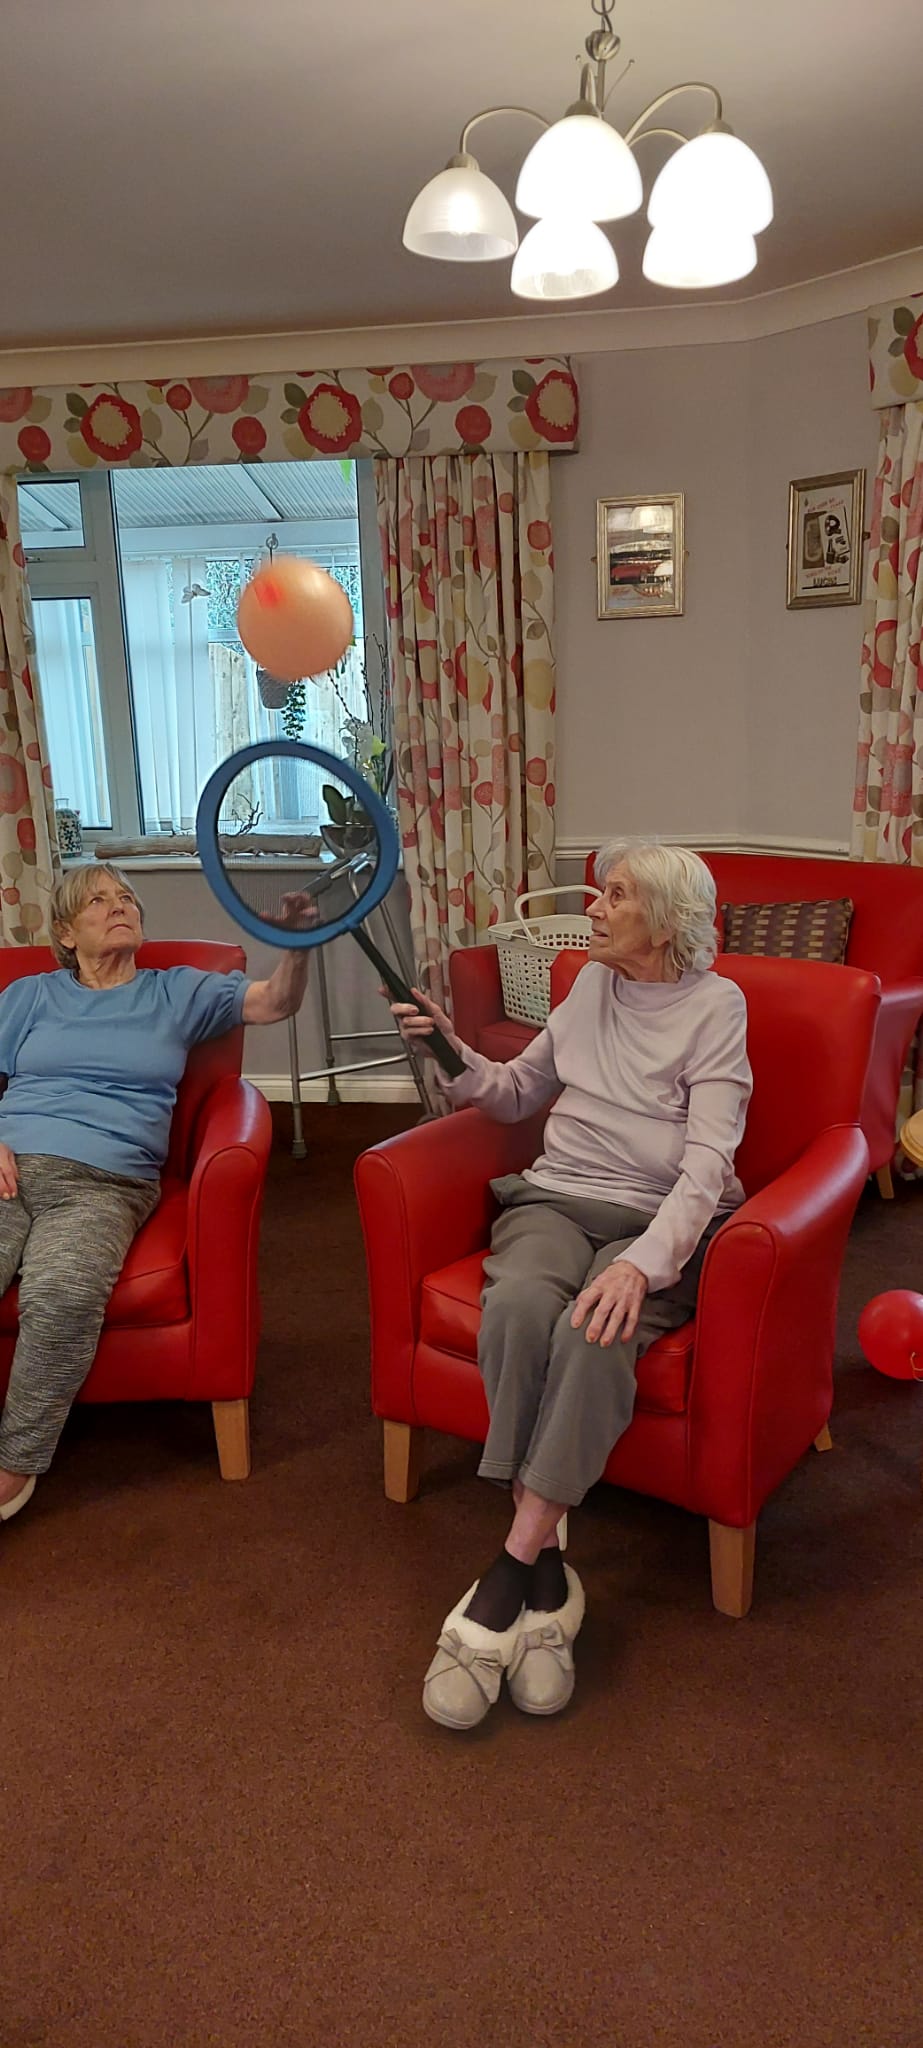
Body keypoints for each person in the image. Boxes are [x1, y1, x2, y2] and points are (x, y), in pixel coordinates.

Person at [390, 841, 752, 1731]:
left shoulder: (717, 1007)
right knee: (516, 1304)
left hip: (656, 1219)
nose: (591, 908)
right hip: (555, 1198)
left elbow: (708, 1162)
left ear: (663, 922)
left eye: (613, 895)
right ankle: (548, 1573)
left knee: (594, 1330)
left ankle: (510, 1571)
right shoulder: (588, 984)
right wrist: (450, 1048)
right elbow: (517, 1092)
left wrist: (641, 1264)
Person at [0, 861, 310, 1526]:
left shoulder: (176, 992)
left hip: (102, 1181)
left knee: (62, 1294)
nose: (119, 906)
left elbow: (273, 1003)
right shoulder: (29, 996)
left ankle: (15, 1463)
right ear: (65, 932)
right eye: (97, 901)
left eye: (126, 897)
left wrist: (297, 946)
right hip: (8, 1167)